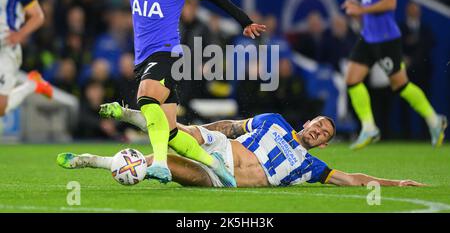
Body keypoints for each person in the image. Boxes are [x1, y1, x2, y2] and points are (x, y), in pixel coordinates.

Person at [84, 0, 265, 185]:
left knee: (146, 100)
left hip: (169, 56)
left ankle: (160, 163)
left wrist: (245, 22)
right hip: (145, 60)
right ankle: (215, 164)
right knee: (170, 133)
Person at [57, 110, 424, 188]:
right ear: (307, 122)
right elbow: (228, 127)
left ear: (325, 142)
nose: (317, 130)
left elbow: (354, 179)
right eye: (316, 123)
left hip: (220, 178)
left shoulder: (311, 167)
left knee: (157, 165)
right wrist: (200, 131)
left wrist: (395, 183)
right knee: (184, 133)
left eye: (324, 131)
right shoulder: (275, 120)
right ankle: (133, 115)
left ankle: (97, 161)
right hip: (221, 146)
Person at [341, 0, 447, 150]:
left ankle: (434, 120)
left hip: (386, 39)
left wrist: (361, 9)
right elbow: (374, 3)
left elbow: (390, 4)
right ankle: (369, 127)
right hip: (369, 37)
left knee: (400, 85)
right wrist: (360, 8)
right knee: (352, 79)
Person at [0, 0, 52, 121]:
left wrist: (19, 35)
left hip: (6, 48)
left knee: (0, 108)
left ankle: (32, 84)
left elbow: (38, 16)